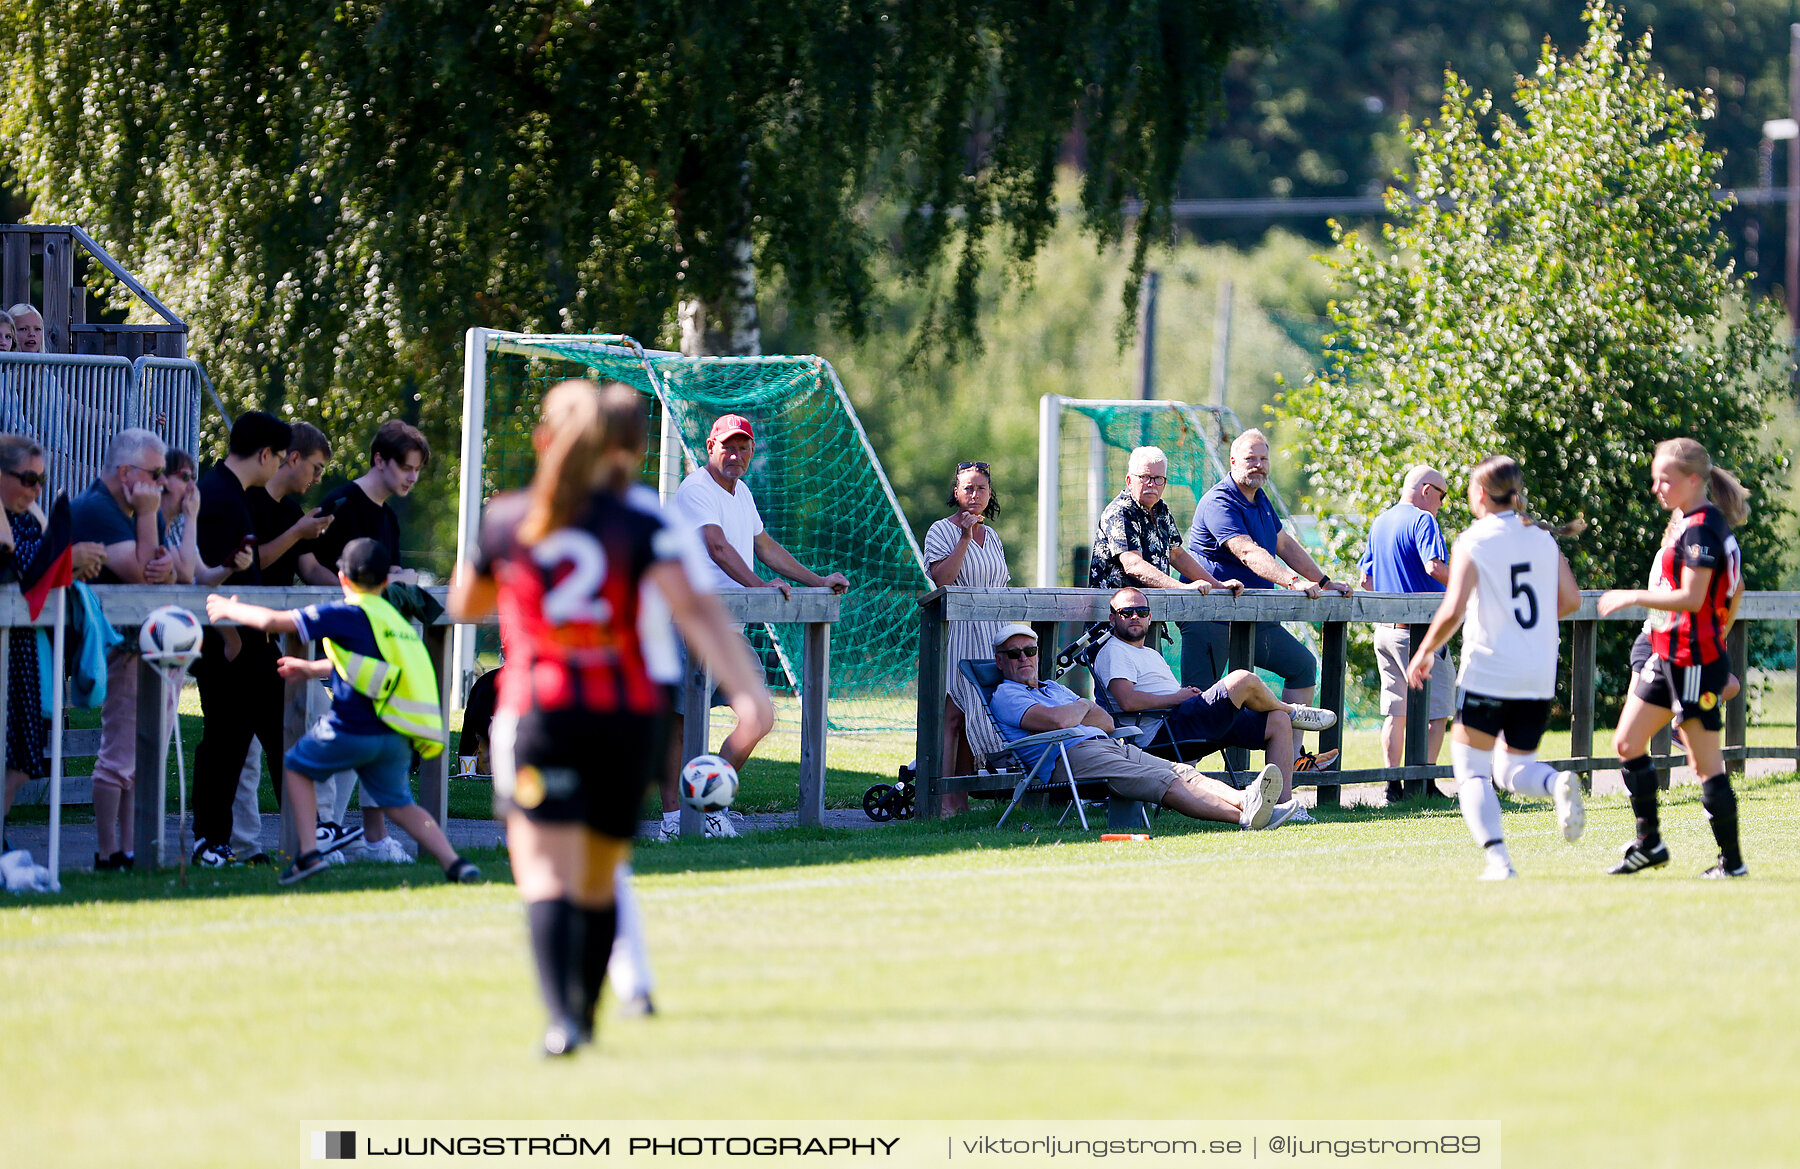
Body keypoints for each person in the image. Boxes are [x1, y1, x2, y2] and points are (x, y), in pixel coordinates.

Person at [450, 379, 772, 1056]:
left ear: (546, 442)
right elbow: (699, 610)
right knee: (598, 875)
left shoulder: (509, 517)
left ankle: (562, 1021)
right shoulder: (645, 523)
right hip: (627, 716)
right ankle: (590, 1012)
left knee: (542, 875)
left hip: (543, 711)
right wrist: (751, 697)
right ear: (623, 452)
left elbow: (463, 601)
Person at [206, 539, 480, 888]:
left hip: (353, 729)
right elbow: (368, 665)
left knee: (295, 765)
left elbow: (277, 620)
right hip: (395, 734)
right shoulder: (393, 620)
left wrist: (231, 609)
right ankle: (454, 862)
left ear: (342, 578)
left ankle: (308, 854)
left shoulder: (345, 612)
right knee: (400, 805)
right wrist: (310, 668)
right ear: (385, 582)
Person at [661, 412, 845, 840]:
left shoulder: (741, 492)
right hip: (688, 620)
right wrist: (762, 588)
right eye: (728, 445)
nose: (736, 454)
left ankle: (706, 802)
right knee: (680, 722)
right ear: (711, 447)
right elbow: (717, 547)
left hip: (730, 628)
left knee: (758, 715)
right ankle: (674, 821)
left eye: (744, 447)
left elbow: (764, 546)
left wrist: (818, 581)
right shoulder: (695, 489)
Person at [1405, 456, 1584, 881]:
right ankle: (1555, 783)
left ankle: (1499, 861)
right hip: (1538, 671)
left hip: (1489, 670)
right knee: (1512, 769)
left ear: (1481, 493)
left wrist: (1426, 650)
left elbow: (1452, 610)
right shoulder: (1541, 537)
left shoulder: (1475, 539)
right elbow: (1572, 600)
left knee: (1470, 770)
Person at [1597, 438, 1750, 879]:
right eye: (1655, 479)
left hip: (1694, 659)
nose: (1657, 488)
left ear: (1694, 480)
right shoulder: (1688, 522)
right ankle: (1650, 844)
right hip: (1667, 652)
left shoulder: (1703, 526)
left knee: (1705, 766)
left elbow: (1691, 596)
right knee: (1627, 743)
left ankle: (1732, 862)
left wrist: (1631, 596)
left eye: (1665, 479)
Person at [989, 624, 1293, 832]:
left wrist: (1078, 712)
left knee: (1182, 771)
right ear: (1000, 662)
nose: (1024, 659)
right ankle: (1245, 817)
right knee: (1161, 778)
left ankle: (1248, 800)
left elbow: (1106, 722)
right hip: (1066, 758)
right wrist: (1083, 707)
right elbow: (1058, 722)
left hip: (1108, 745)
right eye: (1014, 654)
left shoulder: (1052, 688)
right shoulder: (1006, 694)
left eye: (1029, 651)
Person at [299, 418, 430, 860]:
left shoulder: (389, 518)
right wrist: (352, 598)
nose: (412, 477)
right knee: (329, 745)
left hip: (375, 654)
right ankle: (324, 833)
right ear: (380, 460)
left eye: (417, 470)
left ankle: (373, 840)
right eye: (406, 467)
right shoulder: (340, 503)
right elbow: (309, 567)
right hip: (329, 651)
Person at [1092, 588, 1335, 809]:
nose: (1135, 616)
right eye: (1126, 612)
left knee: (1278, 721)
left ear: (1150, 617)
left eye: (1141, 611)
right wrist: (1177, 698)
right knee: (1241, 680)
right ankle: (1295, 711)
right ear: (1112, 618)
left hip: (1182, 722)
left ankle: (1283, 807)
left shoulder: (1149, 653)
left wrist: (1181, 696)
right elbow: (1128, 702)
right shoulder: (1114, 650)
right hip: (1161, 732)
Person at [70, 429, 178, 870]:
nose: (162, 483)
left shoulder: (130, 508)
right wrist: (151, 516)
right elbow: (141, 574)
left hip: (135, 643)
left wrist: (167, 565)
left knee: (138, 756)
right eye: (155, 474)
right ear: (125, 472)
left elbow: (165, 570)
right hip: (118, 647)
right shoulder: (99, 508)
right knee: (118, 756)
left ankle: (130, 851)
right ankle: (107, 853)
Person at [1183, 429, 1350, 704]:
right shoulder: (1219, 501)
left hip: (1254, 617)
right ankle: (1167, 748)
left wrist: (1324, 582)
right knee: (1197, 702)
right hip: (1211, 617)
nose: (1258, 465)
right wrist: (1294, 583)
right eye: (1250, 458)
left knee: (1302, 667)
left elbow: (1283, 544)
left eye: (1264, 458)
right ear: (1233, 461)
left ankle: (1294, 749)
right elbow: (1247, 552)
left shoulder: (1260, 499)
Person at [189, 411, 289, 867]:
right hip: (230, 650)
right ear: (265, 453)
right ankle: (209, 840)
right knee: (224, 744)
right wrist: (229, 638)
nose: (280, 466)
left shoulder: (234, 493)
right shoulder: (218, 497)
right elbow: (206, 579)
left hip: (253, 646)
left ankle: (306, 835)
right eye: (281, 457)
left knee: (279, 735)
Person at [0, 436, 104, 823]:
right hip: (6, 651)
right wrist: (67, 559)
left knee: (24, 758)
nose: (36, 489)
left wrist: (73, 566)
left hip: (24, 650)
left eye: (41, 481)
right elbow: (14, 563)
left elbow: (43, 557)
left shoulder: (26, 514)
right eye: (27, 479)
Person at [1358, 465, 1454, 801]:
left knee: (1395, 711)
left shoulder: (1380, 522)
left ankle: (1392, 785)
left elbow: (1366, 581)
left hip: (1385, 631)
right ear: (1427, 490)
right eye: (1441, 496)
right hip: (1420, 635)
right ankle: (1425, 783)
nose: (1441, 504)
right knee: (1438, 709)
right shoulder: (1423, 520)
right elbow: (1434, 566)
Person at [923, 460, 1010, 814]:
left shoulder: (994, 537)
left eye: (982, 489)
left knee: (979, 714)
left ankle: (964, 800)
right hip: (957, 630)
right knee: (954, 714)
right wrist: (963, 537)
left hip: (992, 632)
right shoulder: (940, 531)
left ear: (990, 495)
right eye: (968, 488)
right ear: (956, 493)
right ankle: (944, 799)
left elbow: (1001, 584)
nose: (975, 495)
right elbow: (942, 579)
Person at [1088, 445, 1238, 596]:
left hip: (1152, 611)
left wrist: (1218, 585)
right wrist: (1182, 588)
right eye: (1144, 477)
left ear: (1164, 483)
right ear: (1129, 480)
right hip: (1118, 613)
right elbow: (1133, 564)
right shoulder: (1121, 511)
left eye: (1158, 478)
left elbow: (1176, 555)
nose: (1151, 484)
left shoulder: (1162, 510)